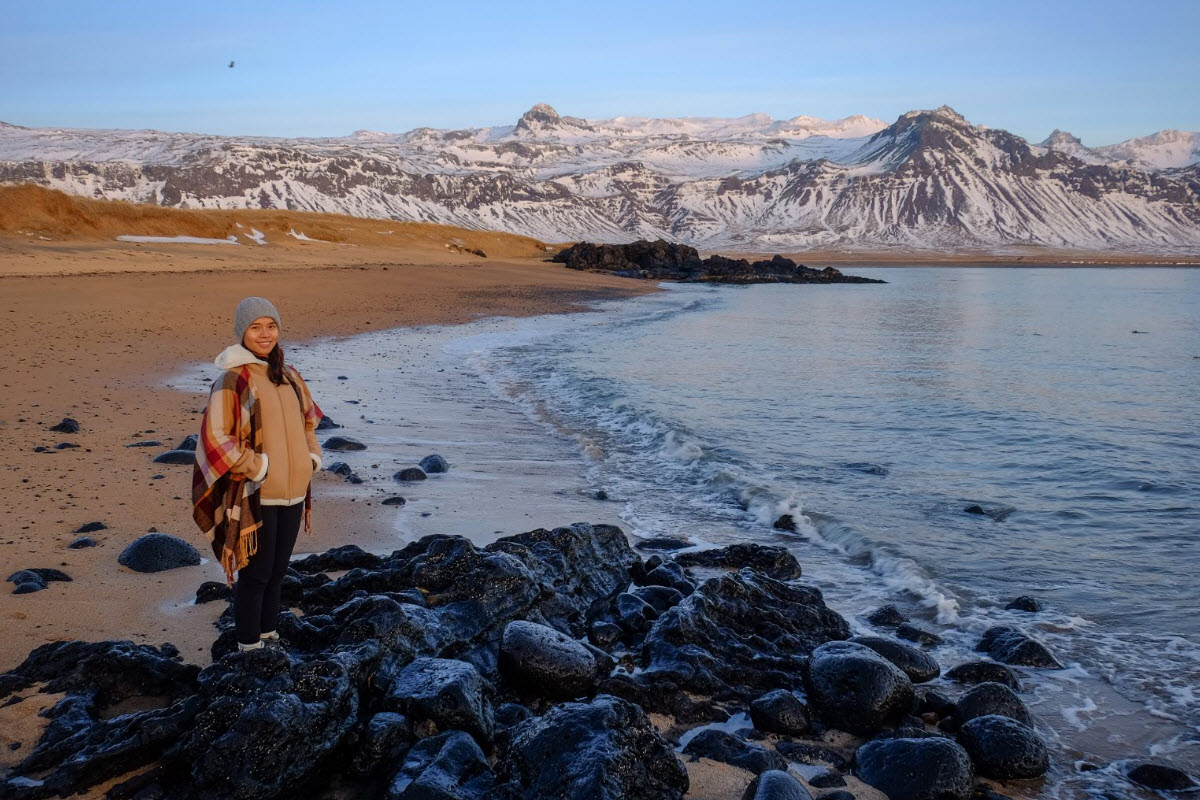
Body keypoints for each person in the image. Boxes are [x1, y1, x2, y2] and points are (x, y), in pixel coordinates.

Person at [191, 296, 323, 652]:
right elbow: (216, 437)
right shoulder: (233, 379)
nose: (265, 334)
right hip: (257, 494)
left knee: (279, 572)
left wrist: (312, 457)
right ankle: (248, 647)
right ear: (242, 332)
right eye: (255, 327)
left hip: (295, 492)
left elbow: (309, 422)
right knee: (256, 575)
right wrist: (258, 467)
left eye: (271, 326)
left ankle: (269, 636)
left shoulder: (290, 376)